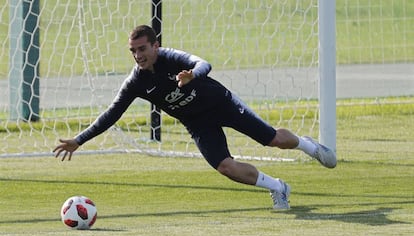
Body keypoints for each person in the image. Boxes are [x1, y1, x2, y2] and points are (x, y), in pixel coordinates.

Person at [53, 24, 336, 210]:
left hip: (221, 103)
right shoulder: (135, 82)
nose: (138, 56)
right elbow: (111, 114)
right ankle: (278, 187)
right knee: (225, 167)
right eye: (133, 51)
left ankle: (310, 146)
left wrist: (193, 75)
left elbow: (204, 63)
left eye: (142, 49)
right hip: (197, 123)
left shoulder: (172, 57)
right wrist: (79, 140)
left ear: (155, 46)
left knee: (273, 139)